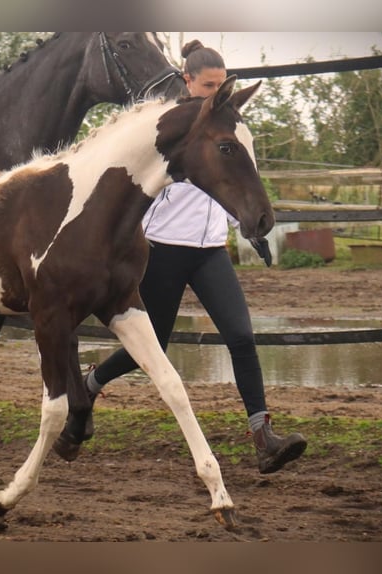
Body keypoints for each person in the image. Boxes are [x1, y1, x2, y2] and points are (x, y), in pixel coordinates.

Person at [55, 40, 307, 474]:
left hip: (209, 250)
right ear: (186, 80)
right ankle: (91, 383)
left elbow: (229, 185)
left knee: (242, 338)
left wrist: (247, 230)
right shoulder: (166, 127)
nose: (216, 92)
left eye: (221, 85)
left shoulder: (223, 124)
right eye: (208, 84)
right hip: (164, 250)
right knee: (149, 348)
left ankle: (264, 437)